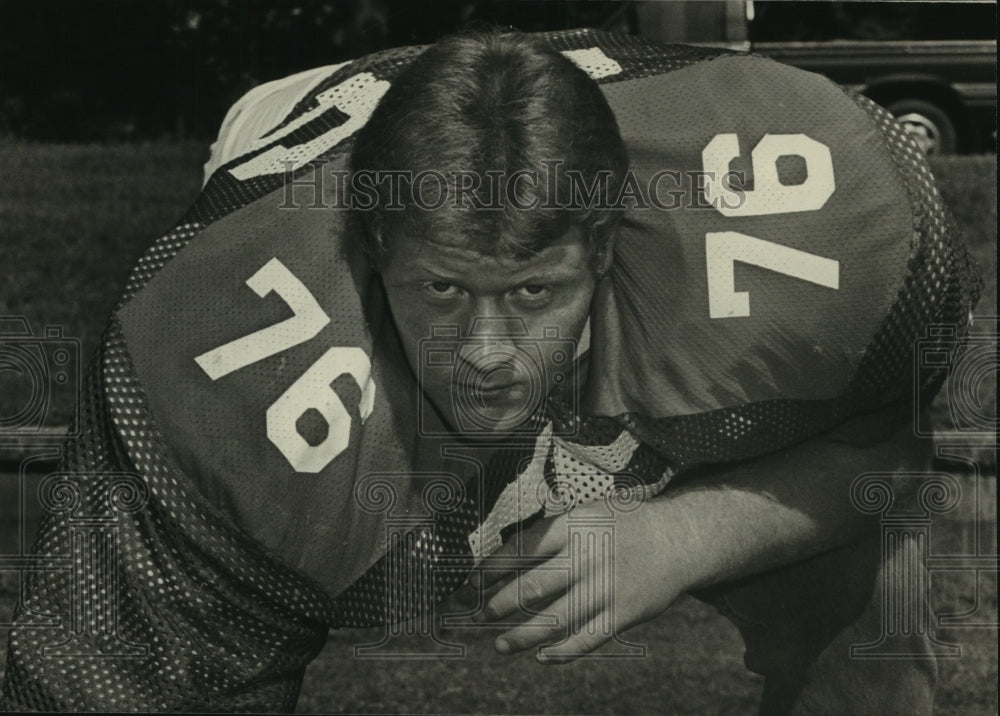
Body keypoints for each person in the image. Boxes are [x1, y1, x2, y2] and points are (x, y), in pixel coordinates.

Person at [2, 29, 979, 714]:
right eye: (439, 290)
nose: (484, 352)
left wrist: (685, 532)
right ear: (375, 247)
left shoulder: (834, 219)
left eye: (531, 293)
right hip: (301, 253)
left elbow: (889, 466)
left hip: (672, 268)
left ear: (605, 244)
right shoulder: (221, 360)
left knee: (867, 609)